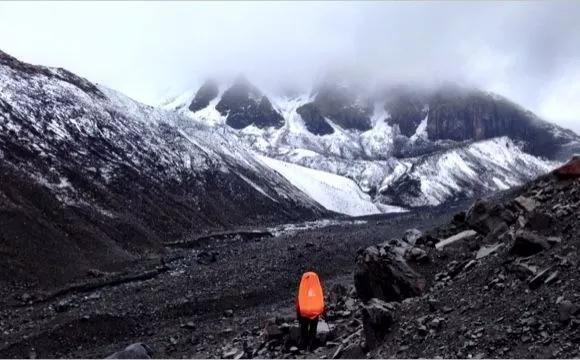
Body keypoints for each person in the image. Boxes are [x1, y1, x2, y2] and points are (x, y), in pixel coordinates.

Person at [295, 271, 324, 351]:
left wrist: (298, 313)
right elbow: (320, 298)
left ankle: (304, 345)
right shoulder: (316, 288)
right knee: (313, 329)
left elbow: (298, 301)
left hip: (304, 312)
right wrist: (322, 309)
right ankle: (311, 345)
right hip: (314, 311)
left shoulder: (302, 287)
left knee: (304, 329)